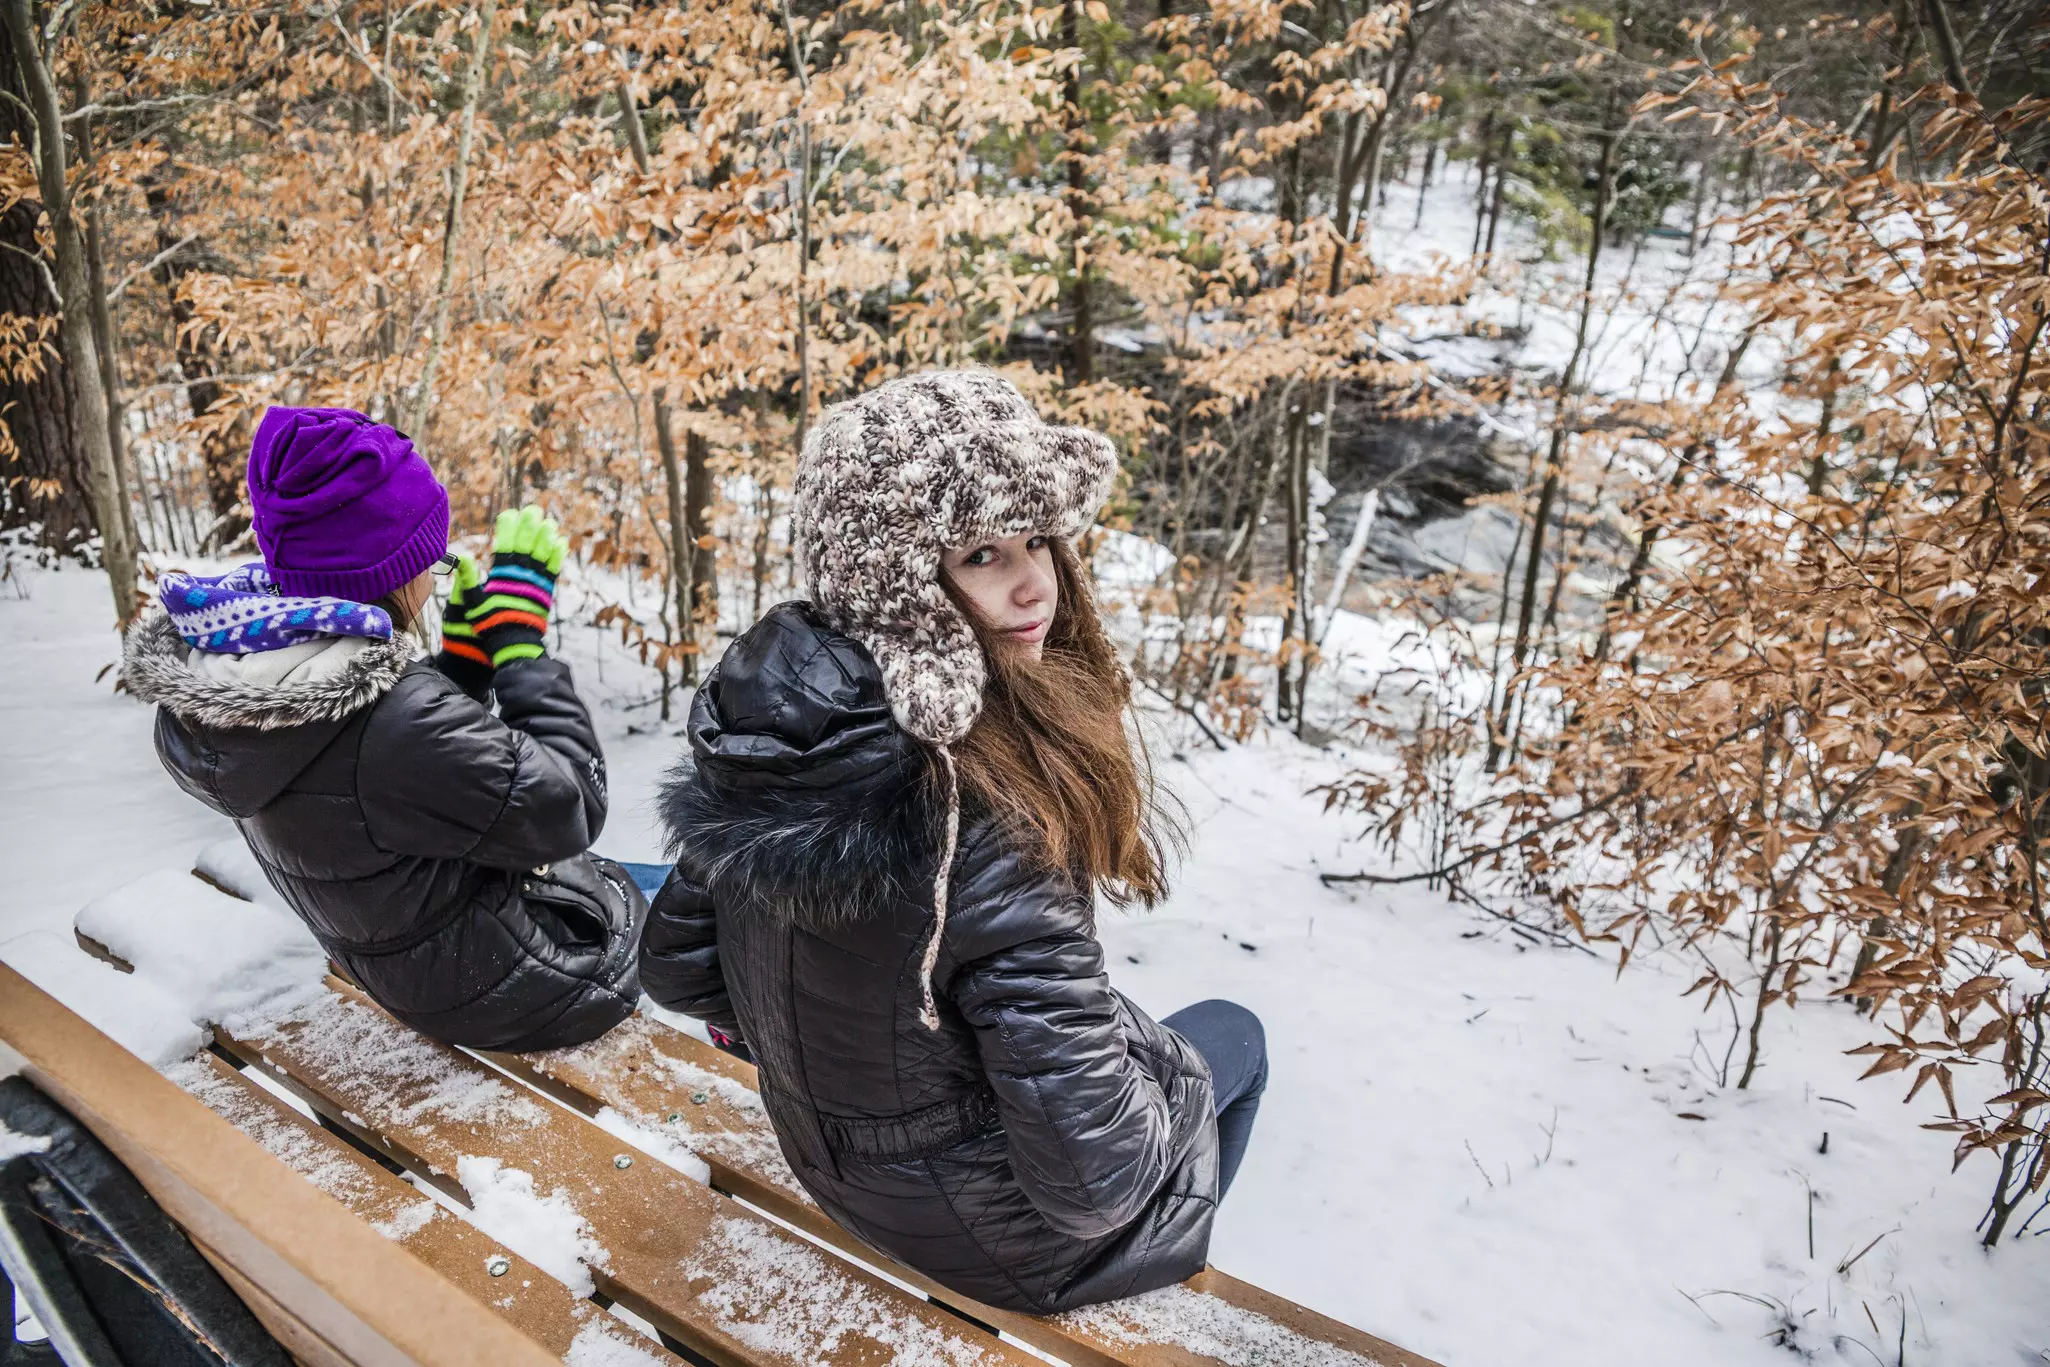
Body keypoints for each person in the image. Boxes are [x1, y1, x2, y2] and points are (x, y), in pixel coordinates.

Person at [639, 370, 1268, 1314]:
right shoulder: (992, 815)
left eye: (1037, 540)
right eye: (980, 553)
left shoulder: (793, 728)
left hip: (837, 1167)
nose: (1035, 584)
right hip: (999, 1248)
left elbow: (679, 970)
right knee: (1234, 1039)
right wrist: (1148, 1079)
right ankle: (1173, 1292)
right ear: (895, 581)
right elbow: (1094, 1185)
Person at [124, 406, 643, 1051]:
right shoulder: (394, 719)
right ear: (391, 573)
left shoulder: (239, 668)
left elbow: (374, 779)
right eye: (429, 561)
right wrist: (520, 653)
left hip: (386, 953)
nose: (431, 582)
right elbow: (567, 807)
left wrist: (459, 670)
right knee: (653, 894)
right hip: (513, 990)